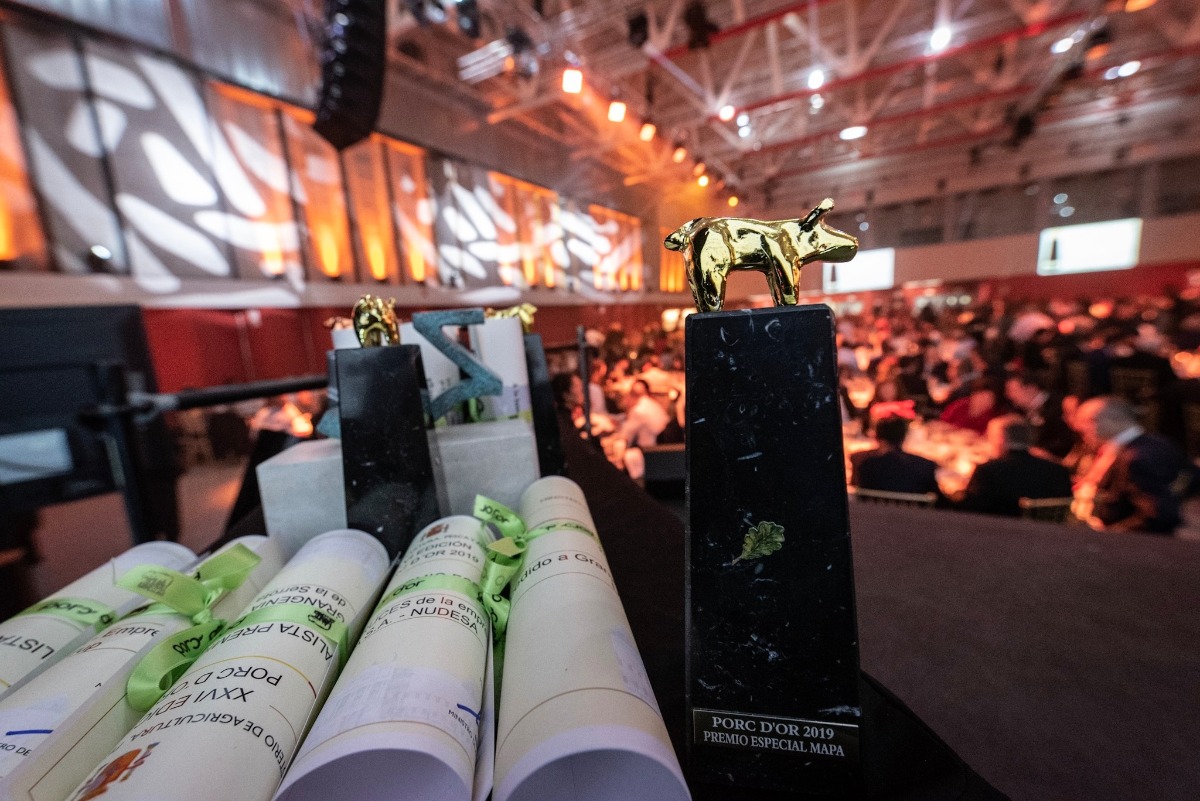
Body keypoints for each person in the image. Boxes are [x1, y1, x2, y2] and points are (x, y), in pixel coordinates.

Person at [1073, 397, 1192, 534]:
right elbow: (1189, 475)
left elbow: (1157, 515)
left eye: (1086, 423)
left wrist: (1108, 534)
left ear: (1108, 420)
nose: (1079, 429)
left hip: (1133, 541)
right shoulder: (1159, 443)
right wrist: (1175, 491)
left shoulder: (1137, 457)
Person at [959, 416, 1074, 517]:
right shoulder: (1059, 472)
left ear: (1001, 439)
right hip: (1045, 533)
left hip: (995, 531)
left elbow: (970, 511)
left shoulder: (987, 471)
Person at [850, 415, 941, 497]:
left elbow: (854, 490)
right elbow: (940, 502)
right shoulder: (924, 466)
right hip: (911, 511)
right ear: (904, 437)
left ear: (876, 437)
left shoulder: (861, 462)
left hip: (869, 510)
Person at [1004, 372, 1076, 459]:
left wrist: (1036, 451)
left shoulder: (1059, 407)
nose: (1008, 395)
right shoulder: (1018, 410)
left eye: (1012, 391)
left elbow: (1065, 441)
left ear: (1031, 388)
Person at [617, 379, 670, 448]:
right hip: (663, 446)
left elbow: (625, 436)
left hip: (651, 450)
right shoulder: (651, 403)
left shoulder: (638, 410)